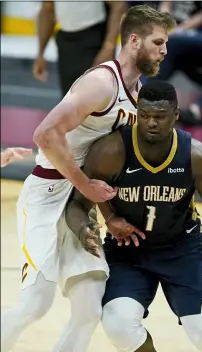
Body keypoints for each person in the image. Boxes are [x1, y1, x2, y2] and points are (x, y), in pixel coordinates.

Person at [1, 6, 175, 352]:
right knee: (35, 304)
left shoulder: (138, 95)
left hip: (81, 204)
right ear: (134, 40)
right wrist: (87, 187)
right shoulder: (100, 83)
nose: (164, 50)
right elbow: (45, 135)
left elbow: (110, 167)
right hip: (48, 196)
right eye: (158, 41)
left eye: (166, 42)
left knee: (89, 307)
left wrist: (110, 213)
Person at [66, 81, 202, 352]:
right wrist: (85, 229)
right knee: (119, 325)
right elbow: (76, 205)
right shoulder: (111, 152)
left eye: (160, 117)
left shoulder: (196, 155)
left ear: (175, 115)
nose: (151, 123)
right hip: (129, 254)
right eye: (145, 115)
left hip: (181, 251)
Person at [33, 1, 126, 97]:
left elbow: (118, 5)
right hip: (66, 43)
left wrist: (108, 47)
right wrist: (40, 54)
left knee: (96, 101)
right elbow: (47, 10)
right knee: (69, 101)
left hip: (94, 40)